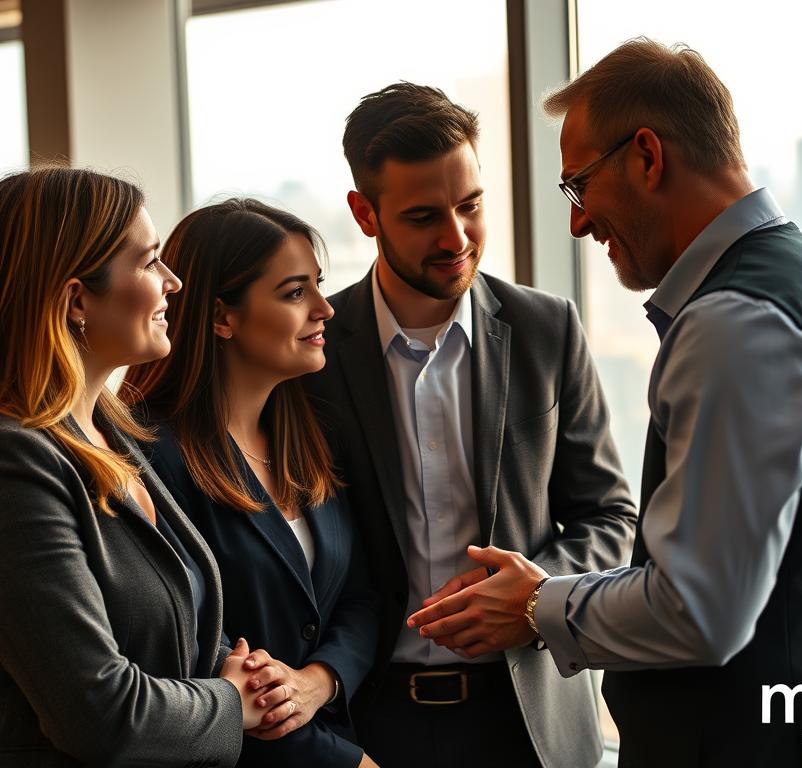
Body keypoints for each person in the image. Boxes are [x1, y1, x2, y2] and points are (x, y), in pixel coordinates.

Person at [408, 38, 802, 768]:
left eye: (578, 186)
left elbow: (698, 610)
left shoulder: (735, 325)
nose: (577, 222)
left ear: (648, 156)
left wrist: (536, 605)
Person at [304, 82, 638, 768]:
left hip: (531, 720)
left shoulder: (548, 330)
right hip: (368, 724)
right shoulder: (315, 356)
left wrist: (533, 597)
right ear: (365, 213)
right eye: (424, 215)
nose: (456, 238)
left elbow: (610, 517)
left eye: (470, 206)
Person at [0, 166, 295, 767]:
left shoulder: (115, 434)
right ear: (77, 298)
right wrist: (231, 702)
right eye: (149, 262)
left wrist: (247, 677)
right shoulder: (17, 462)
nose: (175, 282)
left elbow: (179, 635)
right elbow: (101, 714)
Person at [123, 198, 380, 768]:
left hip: (341, 732)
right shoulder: (150, 458)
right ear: (221, 317)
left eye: (318, 285)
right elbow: (193, 653)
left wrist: (320, 680)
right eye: (294, 293)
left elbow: (361, 599)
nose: (324, 309)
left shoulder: (307, 438)